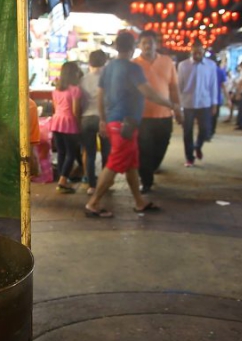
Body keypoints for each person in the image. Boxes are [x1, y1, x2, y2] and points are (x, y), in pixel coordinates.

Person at [85, 31, 179, 218]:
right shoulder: (133, 68)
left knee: (131, 164)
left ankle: (139, 202)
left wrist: (103, 119)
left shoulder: (109, 67)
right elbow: (149, 93)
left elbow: (101, 95)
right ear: (133, 47)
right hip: (124, 125)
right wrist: (172, 105)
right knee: (113, 164)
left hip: (115, 122)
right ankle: (93, 203)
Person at [132, 30, 182, 194]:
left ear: (156, 44)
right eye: (144, 43)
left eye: (150, 42)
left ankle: (150, 169)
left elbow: (173, 87)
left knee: (161, 146)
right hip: (142, 116)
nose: (148, 45)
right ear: (139, 45)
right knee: (144, 149)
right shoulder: (134, 64)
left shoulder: (167, 62)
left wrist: (177, 108)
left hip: (164, 115)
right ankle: (146, 181)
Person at [177, 40, 218, 167]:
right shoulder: (183, 65)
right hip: (188, 103)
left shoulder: (211, 65)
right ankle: (189, 157)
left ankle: (198, 146)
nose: (197, 54)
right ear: (191, 51)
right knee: (187, 131)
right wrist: (177, 105)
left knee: (205, 130)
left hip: (204, 103)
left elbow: (213, 85)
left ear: (203, 51)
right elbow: (179, 85)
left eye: (200, 51)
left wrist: (214, 103)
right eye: (195, 51)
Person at [79, 49, 111, 195]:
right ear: (104, 61)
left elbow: (79, 102)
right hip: (104, 118)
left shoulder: (83, 79)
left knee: (90, 154)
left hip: (86, 118)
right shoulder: (108, 78)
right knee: (106, 153)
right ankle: (105, 184)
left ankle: (91, 186)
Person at [50, 61, 82, 193]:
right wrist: (79, 125)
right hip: (69, 123)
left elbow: (56, 107)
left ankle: (62, 179)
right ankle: (63, 182)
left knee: (61, 152)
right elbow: (75, 111)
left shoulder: (56, 90)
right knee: (71, 153)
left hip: (57, 121)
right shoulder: (75, 90)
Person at [209, 57, 229, 140]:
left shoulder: (206, 70)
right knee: (214, 116)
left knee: (206, 116)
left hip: (205, 98)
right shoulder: (220, 71)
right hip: (217, 97)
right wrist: (228, 99)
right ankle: (211, 131)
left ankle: (207, 131)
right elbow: (223, 86)